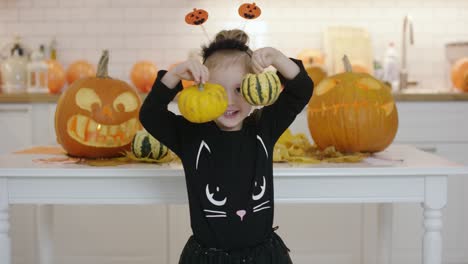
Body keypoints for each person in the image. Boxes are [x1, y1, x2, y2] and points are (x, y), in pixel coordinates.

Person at [139, 29, 313, 264]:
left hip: (264, 257)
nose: (230, 101)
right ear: (203, 87)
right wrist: (175, 74)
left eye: (240, 89)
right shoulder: (191, 135)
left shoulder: (264, 127)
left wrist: (278, 59)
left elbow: (301, 91)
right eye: (219, 90)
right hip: (209, 258)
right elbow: (150, 114)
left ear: (255, 87)